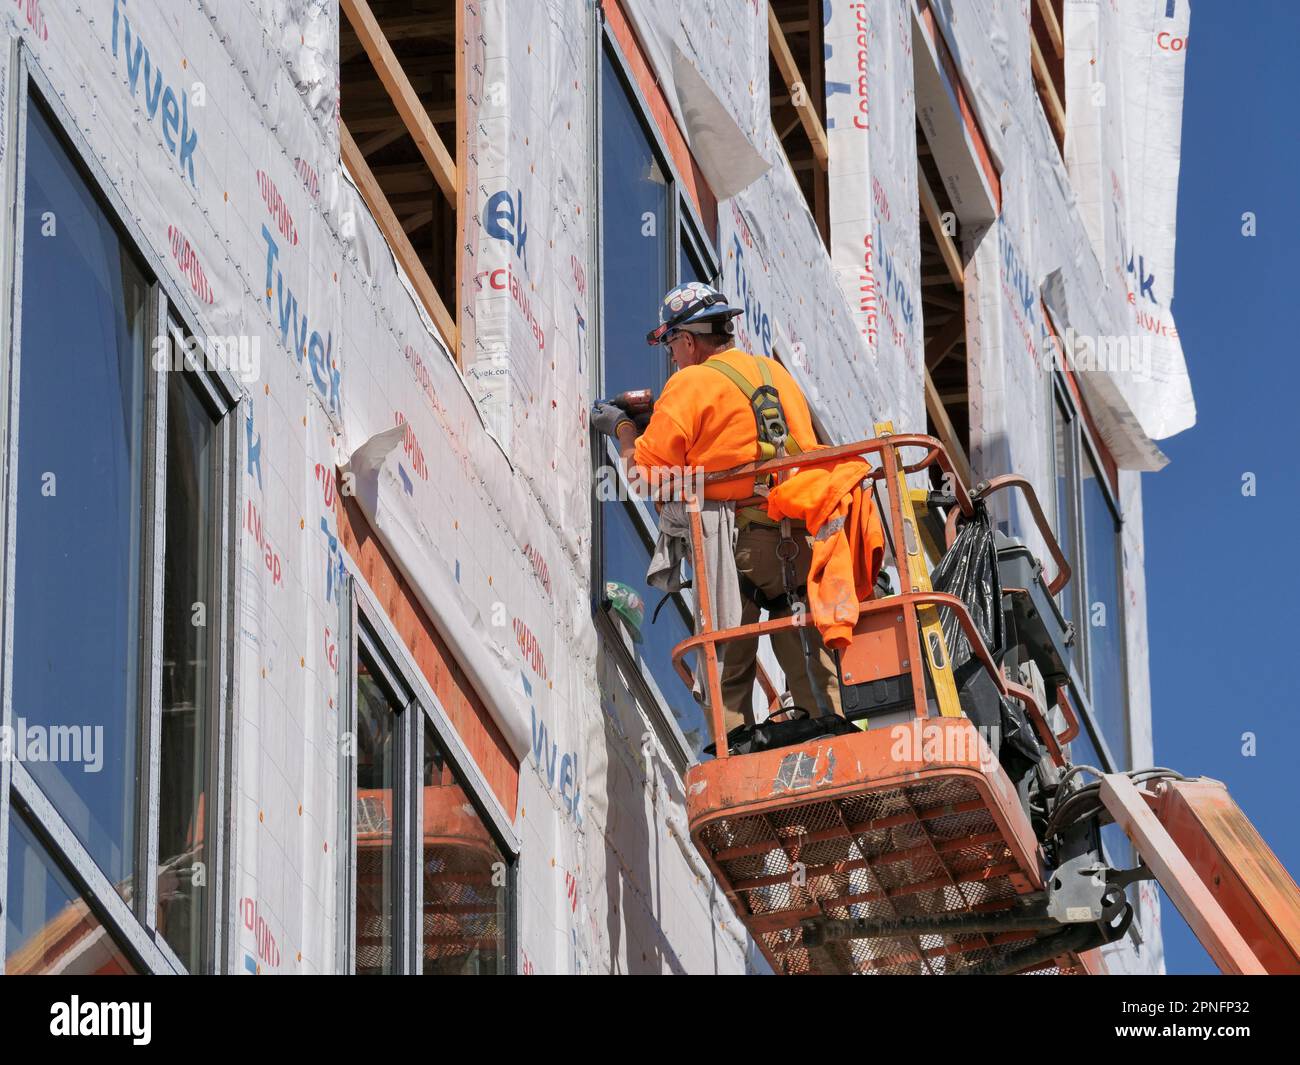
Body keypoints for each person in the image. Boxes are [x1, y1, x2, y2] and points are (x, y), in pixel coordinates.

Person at [592, 282, 844, 734]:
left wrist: (625, 428)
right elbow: (743, 437)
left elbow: (642, 476)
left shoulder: (689, 382)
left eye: (671, 343)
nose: (671, 355)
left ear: (688, 339)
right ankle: (827, 728)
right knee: (803, 642)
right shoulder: (776, 374)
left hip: (742, 545)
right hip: (801, 537)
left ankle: (738, 747)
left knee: (726, 655)